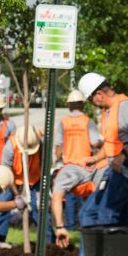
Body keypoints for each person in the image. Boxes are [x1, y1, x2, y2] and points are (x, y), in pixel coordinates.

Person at [73, 72, 128, 229]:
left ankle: (107, 253)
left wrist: (123, 155)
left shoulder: (125, 106)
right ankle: (127, 251)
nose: (91, 103)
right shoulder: (108, 111)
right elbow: (111, 144)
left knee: (107, 214)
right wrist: (96, 159)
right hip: (117, 168)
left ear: (99, 94)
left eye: (90, 99)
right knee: (123, 215)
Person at [54, 89, 102, 230]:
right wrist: (102, 143)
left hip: (69, 165)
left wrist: (58, 160)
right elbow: (94, 143)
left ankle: (69, 225)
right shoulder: (88, 121)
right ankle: (85, 223)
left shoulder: (64, 122)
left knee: (68, 195)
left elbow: (58, 146)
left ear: (69, 105)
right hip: (85, 164)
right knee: (86, 194)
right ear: (82, 105)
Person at [0, 126, 46, 237]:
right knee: (3, 204)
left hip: (34, 178)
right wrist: (17, 194)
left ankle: (47, 241)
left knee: (40, 208)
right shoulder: (10, 146)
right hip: (13, 179)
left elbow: (44, 164)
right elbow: (7, 173)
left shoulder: (40, 143)